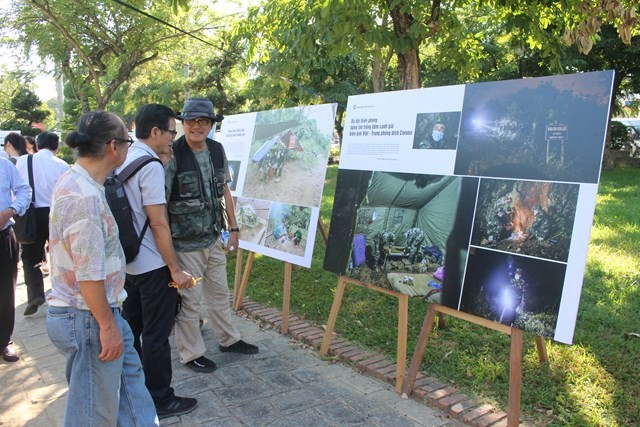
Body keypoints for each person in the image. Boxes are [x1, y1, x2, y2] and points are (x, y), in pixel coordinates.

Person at [46, 111, 158, 426]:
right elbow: (88, 275)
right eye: (127, 141)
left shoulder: (81, 182)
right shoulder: (83, 197)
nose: (129, 147)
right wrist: (107, 327)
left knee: (134, 396)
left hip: (102, 313)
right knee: (93, 416)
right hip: (89, 318)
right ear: (113, 147)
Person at [166, 98, 258, 373]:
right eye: (192, 121)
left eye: (203, 121)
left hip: (213, 238)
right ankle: (191, 353)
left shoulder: (217, 150)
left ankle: (228, 340)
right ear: (184, 124)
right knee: (190, 302)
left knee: (219, 293)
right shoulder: (174, 154)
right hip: (185, 244)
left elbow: (225, 192)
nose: (197, 126)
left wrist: (234, 229)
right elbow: (164, 199)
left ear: (210, 125)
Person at [119, 104, 197, 418]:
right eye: (170, 132)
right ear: (154, 132)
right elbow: (158, 223)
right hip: (153, 265)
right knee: (155, 335)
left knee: (132, 328)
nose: (172, 139)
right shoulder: (149, 164)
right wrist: (175, 268)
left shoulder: (124, 158)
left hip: (129, 262)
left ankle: (132, 390)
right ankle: (161, 399)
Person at [16, 132, 70, 316]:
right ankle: (62, 294)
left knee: (30, 256)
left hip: (31, 214)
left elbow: (18, 188)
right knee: (59, 255)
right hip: (55, 212)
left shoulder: (24, 161)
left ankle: (35, 296)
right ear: (57, 147)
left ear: (38, 145)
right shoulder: (62, 165)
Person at [0, 157, 32, 362]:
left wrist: (9, 211)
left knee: (4, 292)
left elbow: (24, 191)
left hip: (2, 235)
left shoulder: (4, 165)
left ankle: (4, 341)